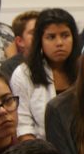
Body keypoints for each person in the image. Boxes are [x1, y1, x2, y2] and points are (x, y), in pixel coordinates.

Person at [10, 8, 79, 140]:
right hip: (42, 150)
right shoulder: (24, 73)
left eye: (65, 35)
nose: (59, 43)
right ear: (40, 41)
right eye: (51, 37)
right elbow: (23, 126)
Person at [0, 10, 39, 78]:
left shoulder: (57, 61)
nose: (41, 35)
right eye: (34, 32)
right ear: (20, 41)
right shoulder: (10, 67)